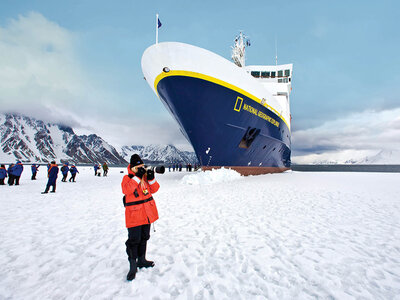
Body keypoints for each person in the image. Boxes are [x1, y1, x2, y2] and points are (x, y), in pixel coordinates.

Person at [121, 154, 160, 281]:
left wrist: (151, 178)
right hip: (134, 216)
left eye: (142, 167)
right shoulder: (127, 178)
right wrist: (137, 177)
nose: (141, 169)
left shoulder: (143, 178)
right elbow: (127, 190)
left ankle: (142, 260)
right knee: (133, 241)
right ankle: (133, 266)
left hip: (146, 214)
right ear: (132, 168)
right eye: (139, 167)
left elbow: (155, 189)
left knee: (144, 237)